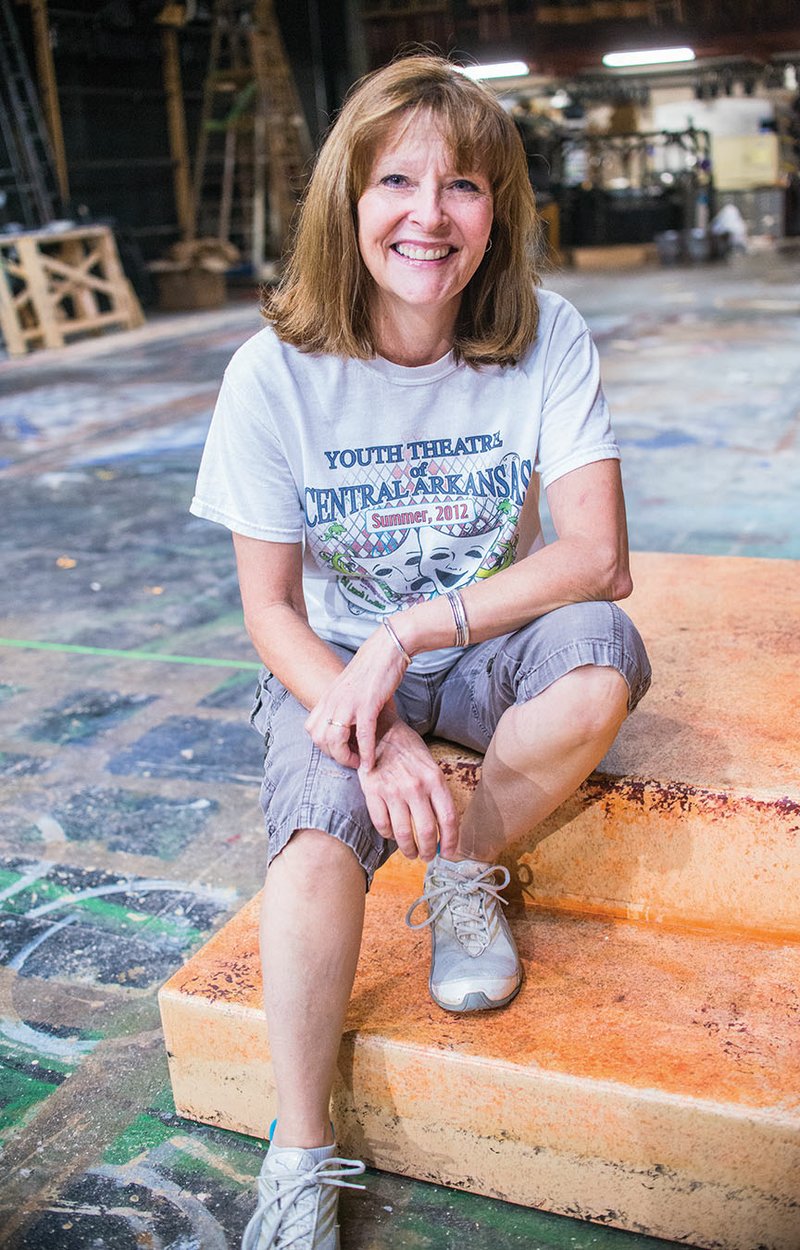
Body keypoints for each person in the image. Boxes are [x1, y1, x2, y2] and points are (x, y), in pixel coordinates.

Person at [190, 53, 651, 1250]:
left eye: (463, 186)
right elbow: (269, 611)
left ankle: (463, 868)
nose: (428, 215)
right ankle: (299, 1151)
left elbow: (595, 556)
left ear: (497, 211)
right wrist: (376, 724)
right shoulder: (273, 373)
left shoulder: (543, 336)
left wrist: (407, 630)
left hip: (472, 643)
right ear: (349, 200)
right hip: (332, 663)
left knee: (602, 650)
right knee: (311, 849)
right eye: (397, 179)